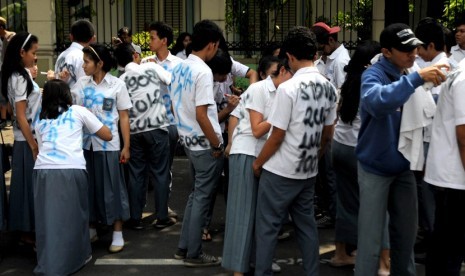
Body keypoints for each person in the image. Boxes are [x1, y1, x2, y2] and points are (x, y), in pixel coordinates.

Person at [354, 23, 448, 276]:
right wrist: (415, 80)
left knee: (405, 238)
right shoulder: (374, 75)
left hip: (405, 167)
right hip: (375, 168)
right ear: (386, 52)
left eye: (414, 48)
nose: (413, 54)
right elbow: (377, 102)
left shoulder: (411, 70)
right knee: (371, 242)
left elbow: (427, 107)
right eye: (406, 50)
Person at [252, 26, 337, 276]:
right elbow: (328, 134)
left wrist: (258, 163)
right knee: (307, 227)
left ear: (289, 56)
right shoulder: (329, 88)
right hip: (308, 170)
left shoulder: (287, 89)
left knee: (267, 227)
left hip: (280, 170)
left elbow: (277, 134)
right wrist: (316, 156)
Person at [33, 79, 112, 275]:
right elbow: (107, 135)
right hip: (71, 168)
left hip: (42, 170)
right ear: (67, 94)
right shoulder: (77, 111)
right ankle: (74, 258)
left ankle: (48, 259)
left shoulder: (40, 120)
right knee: (75, 216)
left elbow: (41, 148)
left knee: (48, 219)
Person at [222, 56, 293, 276]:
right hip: (246, 153)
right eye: (292, 74)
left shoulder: (282, 92)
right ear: (282, 71)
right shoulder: (260, 89)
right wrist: (282, 118)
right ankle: (238, 269)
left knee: (260, 214)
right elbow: (256, 129)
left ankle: (256, 260)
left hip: (262, 155)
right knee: (243, 213)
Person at [171, 19, 224, 267]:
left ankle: (185, 247)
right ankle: (194, 253)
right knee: (201, 198)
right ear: (212, 44)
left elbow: (176, 105)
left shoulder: (179, 67)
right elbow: (203, 115)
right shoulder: (202, 71)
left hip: (189, 142)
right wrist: (217, 145)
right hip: (205, 145)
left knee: (195, 196)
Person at [71, 43, 132, 253]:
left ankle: (117, 231)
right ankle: (91, 228)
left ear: (100, 63)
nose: (84, 65)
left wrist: (126, 146)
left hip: (109, 145)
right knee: (89, 188)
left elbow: (124, 116)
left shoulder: (116, 85)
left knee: (112, 189)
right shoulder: (80, 84)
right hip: (85, 146)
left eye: (87, 61)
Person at [328, 40, 381, 267]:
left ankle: (341, 253)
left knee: (346, 202)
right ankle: (369, 256)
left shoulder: (351, 80)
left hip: (339, 145)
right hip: (358, 149)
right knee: (369, 204)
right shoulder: (370, 82)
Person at [113, 42, 175, 230]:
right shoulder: (151, 67)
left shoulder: (121, 79)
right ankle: (162, 216)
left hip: (134, 132)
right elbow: (170, 79)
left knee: (136, 175)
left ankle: (135, 217)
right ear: (135, 55)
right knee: (160, 173)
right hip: (157, 127)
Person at [424, 46, 465, 276]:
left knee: (446, 245)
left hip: (450, 176)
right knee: (450, 248)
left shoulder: (460, 72)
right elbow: (463, 136)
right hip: (455, 177)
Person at [1, 32, 41, 247]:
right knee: (28, 187)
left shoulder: (17, 76)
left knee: (26, 187)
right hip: (27, 139)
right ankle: (28, 233)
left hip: (25, 138)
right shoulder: (19, 78)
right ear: (21, 52)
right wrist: (34, 145)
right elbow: (21, 115)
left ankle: (26, 231)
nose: (35, 57)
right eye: (33, 52)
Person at [141, 21, 183, 218]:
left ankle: (162, 207)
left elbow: (181, 92)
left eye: (152, 38)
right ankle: (143, 208)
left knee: (166, 166)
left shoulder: (178, 65)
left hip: (170, 121)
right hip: (148, 122)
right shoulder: (145, 62)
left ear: (164, 41)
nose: (149, 41)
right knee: (147, 167)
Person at [54, 19, 95, 87]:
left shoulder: (62, 55)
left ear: (71, 37)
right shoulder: (83, 57)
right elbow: (85, 86)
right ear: (92, 39)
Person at [0, 16, 15, 127]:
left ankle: (13, 117)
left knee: (11, 94)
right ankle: (4, 119)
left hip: (11, 72)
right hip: (2, 71)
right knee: (3, 94)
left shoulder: (11, 37)